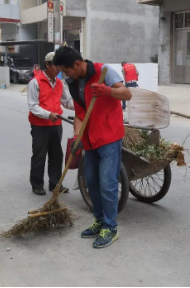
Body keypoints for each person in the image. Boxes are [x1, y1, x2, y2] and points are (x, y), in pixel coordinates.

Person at [53, 46, 132, 248]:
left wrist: (107, 90)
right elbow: (80, 114)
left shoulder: (103, 71)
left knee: (107, 183)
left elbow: (126, 94)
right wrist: (77, 136)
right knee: (92, 182)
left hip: (109, 137)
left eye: (67, 70)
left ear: (78, 64)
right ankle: (99, 220)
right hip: (89, 140)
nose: (65, 74)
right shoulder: (72, 82)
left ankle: (111, 227)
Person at [27, 52, 74, 195]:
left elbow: (67, 102)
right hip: (40, 125)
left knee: (56, 155)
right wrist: (48, 114)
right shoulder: (35, 82)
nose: (59, 69)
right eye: (56, 66)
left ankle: (55, 184)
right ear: (47, 65)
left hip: (56, 124)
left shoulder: (60, 83)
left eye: (60, 66)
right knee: (39, 155)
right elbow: (33, 106)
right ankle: (37, 184)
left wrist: (81, 107)